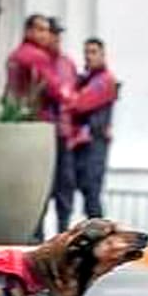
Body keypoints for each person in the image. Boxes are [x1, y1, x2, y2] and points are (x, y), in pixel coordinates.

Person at [67, 38, 119, 220]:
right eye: (86, 52)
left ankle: (99, 236)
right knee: (81, 188)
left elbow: (79, 103)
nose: (89, 57)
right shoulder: (87, 79)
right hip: (82, 143)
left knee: (91, 192)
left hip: (95, 142)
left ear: (103, 55)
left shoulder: (105, 80)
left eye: (93, 52)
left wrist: (71, 97)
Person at [46, 17, 80, 235]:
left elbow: (76, 95)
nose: (56, 38)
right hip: (44, 133)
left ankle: (63, 232)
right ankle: (35, 236)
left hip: (65, 134)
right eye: (52, 33)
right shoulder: (38, 62)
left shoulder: (67, 64)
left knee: (65, 185)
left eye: (58, 34)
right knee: (40, 188)